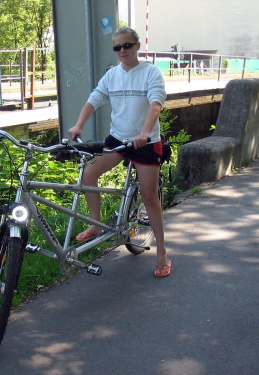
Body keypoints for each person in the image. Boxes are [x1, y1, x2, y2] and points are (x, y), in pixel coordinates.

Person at [67, 27, 171, 277]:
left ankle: (162, 252)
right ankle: (95, 224)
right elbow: (95, 98)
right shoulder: (112, 75)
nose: (122, 51)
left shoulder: (150, 72)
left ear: (137, 46)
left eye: (127, 45)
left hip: (145, 143)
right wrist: (78, 124)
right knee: (88, 176)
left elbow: (156, 104)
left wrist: (145, 132)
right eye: (117, 47)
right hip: (117, 140)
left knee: (148, 196)